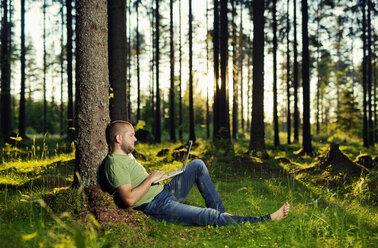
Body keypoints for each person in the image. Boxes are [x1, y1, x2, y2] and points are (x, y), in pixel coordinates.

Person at [104, 120, 290, 226]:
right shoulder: (114, 164)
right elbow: (128, 199)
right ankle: (265, 220)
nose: (135, 138)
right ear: (118, 138)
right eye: (131, 135)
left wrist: (157, 179)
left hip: (163, 193)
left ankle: (222, 215)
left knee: (197, 165)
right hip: (154, 206)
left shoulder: (126, 156)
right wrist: (151, 178)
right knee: (207, 216)